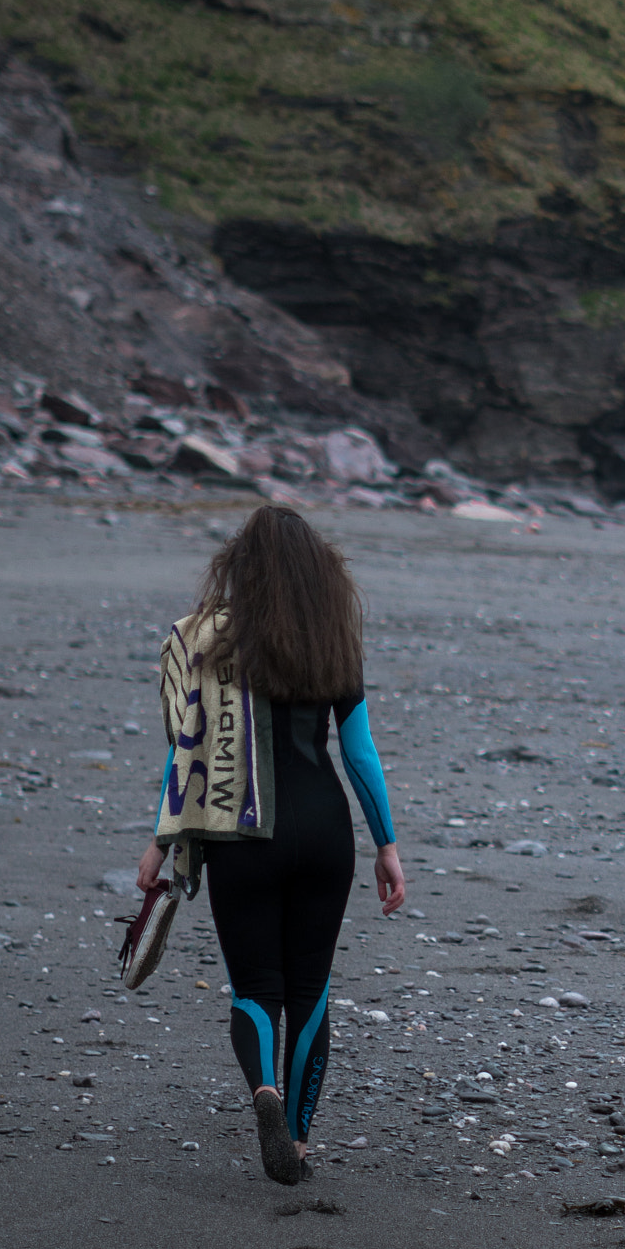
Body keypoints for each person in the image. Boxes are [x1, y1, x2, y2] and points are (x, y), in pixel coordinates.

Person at [136, 505, 405, 1185]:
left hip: (240, 835)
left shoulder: (210, 643)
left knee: (257, 986)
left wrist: (158, 845)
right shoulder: (333, 641)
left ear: (240, 567)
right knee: (311, 989)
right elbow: (360, 753)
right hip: (323, 831)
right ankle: (301, 1142)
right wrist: (387, 845)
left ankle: (265, 1094)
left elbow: (187, 753)